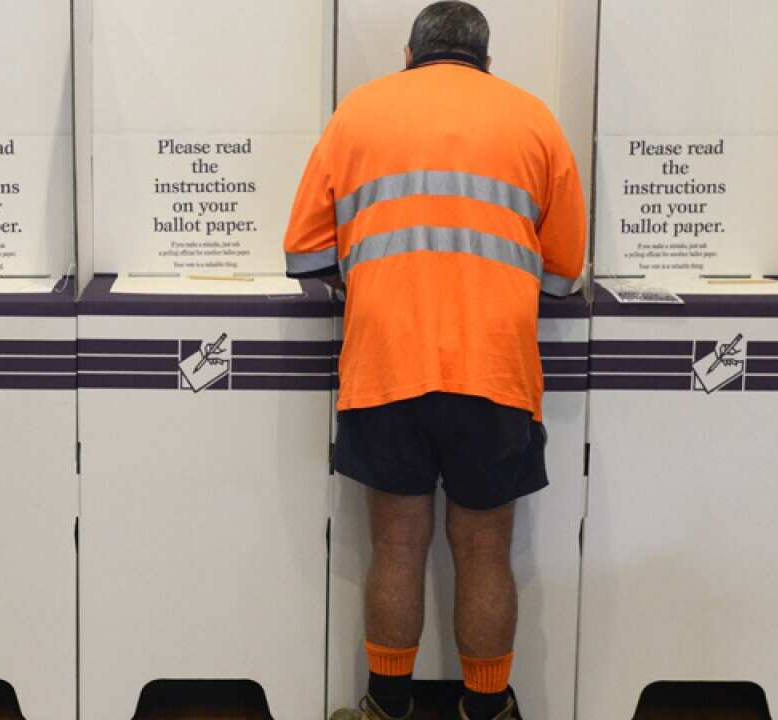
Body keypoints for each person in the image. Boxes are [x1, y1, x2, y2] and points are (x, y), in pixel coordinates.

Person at [283, 2, 587, 719]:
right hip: (495, 370)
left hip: (387, 366)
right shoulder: (534, 120)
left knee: (396, 544)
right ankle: (487, 711)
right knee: (484, 549)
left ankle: (386, 707)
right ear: (487, 59)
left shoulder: (358, 113)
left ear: (409, 53)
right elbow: (563, 273)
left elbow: (305, 252)